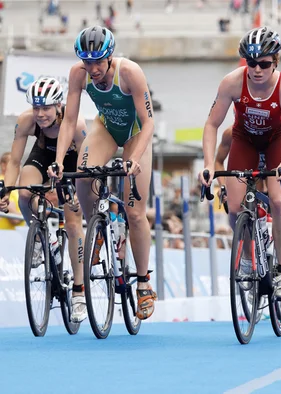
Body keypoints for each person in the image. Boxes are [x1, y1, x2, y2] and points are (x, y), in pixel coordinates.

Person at [47, 26, 157, 320]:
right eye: (87, 62)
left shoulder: (129, 72)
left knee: (135, 212)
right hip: (106, 129)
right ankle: (97, 227)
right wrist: (58, 160)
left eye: (98, 62)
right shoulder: (78, 74)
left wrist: (133, 159)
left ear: (110, 57)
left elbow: (148, 123)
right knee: (83, 174)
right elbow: (69, 121)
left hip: (135, 133)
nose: (92, 69)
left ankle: (144, 281)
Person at [200, 27, 281, 299]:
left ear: (276, 62)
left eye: (264, 64)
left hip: (277, 140)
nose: (257, 69)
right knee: (235, 206)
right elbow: (212, 124)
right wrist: (209, 164)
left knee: (280, 201)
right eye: (251, 63)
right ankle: (248, 253)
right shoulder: (232, 83)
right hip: (245, 138)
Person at [0, 77, 88, 321]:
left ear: (59, 105)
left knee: (72, 225)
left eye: (46, 108)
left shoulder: (77, 125)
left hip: (72, 165)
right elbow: (15, 162)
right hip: (42, 157)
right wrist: (6, 191)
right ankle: (40, 236)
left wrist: (80, 193)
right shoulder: (26, 121)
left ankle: (79, 293)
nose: (40, 114)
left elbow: (86, 165)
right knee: (25, 193)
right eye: (36, 107)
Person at [214, 126, 281, 277]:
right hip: (253, 172)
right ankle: (252, 244)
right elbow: (218, 161)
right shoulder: (231, 134)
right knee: (242, 206)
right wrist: (224, 184)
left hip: (276, 170)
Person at [0, 152, 25, 230]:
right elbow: (15, 219)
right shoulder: (3, 184)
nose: (19, 167)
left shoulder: (14, 187)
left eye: (19, 163)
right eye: (13, 163)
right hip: (6, 234)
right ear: (3, 165)